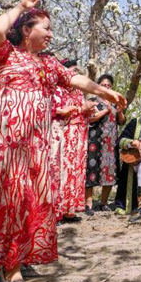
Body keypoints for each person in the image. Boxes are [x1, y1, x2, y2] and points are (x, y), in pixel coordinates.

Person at [0, 0, 126, 282]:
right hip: (5, 142)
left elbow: (75, 79)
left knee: (29, 199)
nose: (51, 35)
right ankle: (9, 264)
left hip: (35, 146)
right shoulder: (5, 56)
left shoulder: (48, 65)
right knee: (10, 198)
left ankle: (16, 254)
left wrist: (106, 93)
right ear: (27, 30)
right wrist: (22, 5)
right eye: (46, 28)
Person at [50, 59, 92, 223]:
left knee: (75, 173)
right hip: (65, 135)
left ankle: (69, 210)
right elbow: (56, 111)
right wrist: (80, 109)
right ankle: (56, 211)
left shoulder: (78, 92)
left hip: (79, 136)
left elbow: (81, 112)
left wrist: (87, 111)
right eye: (72, 71)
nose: (75, 75)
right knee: (62, 172)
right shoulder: (58, 90)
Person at [84, 73, 125, 214]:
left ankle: (103, 203)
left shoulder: (115, 102)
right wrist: (106, 110)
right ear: (99, 86)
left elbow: (121, 122)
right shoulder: (93, 101)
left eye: (109, 85)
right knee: (91, 171)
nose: (107, 87)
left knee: (110, 172)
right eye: (104, 85)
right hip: (95, 141)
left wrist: (119, 112)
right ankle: (88, 204)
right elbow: (90, 119)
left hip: (111, 142)